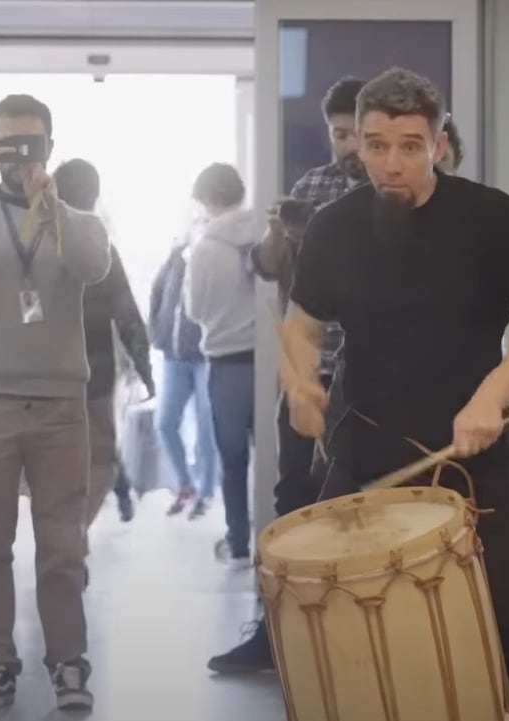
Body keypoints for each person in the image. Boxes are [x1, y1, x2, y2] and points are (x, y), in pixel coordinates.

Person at [280, 67, 509, 721]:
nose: (391, 162)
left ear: (437, 144)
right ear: (356, 142)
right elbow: (302, 324)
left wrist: (492, 394)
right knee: (328, 609)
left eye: (409, 145)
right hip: (363, 449)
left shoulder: (488, 216)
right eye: (376, 143)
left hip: (472, 457)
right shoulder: (333, 225)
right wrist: (300, 382)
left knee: (507, 620)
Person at [0, 93, 111, 710]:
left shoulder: (73, 217)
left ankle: (68, 662)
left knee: (62, 547)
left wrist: (52, 204)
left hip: (60, 405)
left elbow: (91, 266)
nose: (20, 158)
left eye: (31, 146)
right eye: (8, 145)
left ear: (50, 150)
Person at [208, 75, 366, 674]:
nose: (347, 146)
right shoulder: (312, 185)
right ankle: (274, 627)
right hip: (308, 372)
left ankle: (347, 631)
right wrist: (281, 229)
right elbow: (270, 269)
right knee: (291, 499)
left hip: (371, 379)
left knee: (354, 506)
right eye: (338, 134)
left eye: (355, 133)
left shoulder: (388, 191)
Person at [52, 159, 154, 534]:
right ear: (94, 196)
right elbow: (126, 313)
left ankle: (65, 535)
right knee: (100, 462)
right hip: (93, 374)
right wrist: (145, 370)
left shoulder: (34, 244)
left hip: (44, 375)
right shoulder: (98, 246)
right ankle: (75, 533)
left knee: (54, 464)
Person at [182, 162, 258, 568]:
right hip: (268, 362)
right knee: (276, 457)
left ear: (208, 200)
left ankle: (239, 542)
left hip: (226, 363)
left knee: (233, 460)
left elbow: (194, 310)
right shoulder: (265, 233)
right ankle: (276, 536)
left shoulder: (206, 248)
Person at [150, 227, 218, 520]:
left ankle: (205, 493)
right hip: (174, 356)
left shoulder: (215, 254)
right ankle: (186, 485)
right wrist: (157, 333)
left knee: (207, 430)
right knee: (165, 423)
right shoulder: (176, 257)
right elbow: (157, 294)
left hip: (205, 357)